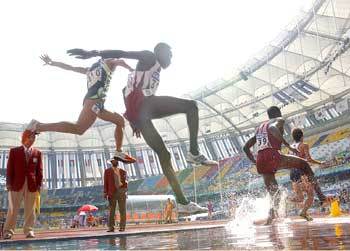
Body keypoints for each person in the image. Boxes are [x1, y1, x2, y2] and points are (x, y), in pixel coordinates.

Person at [67, 43, 217, 213]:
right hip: (146, 105)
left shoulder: (153, 69)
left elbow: (125, 90)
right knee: (191, 106)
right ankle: (194, 152)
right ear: (160, 52)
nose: (170, 58)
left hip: (141, 113)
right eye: (169, 54)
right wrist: (94, 53)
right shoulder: (149, 57)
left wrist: (134, 120)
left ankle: (182, 203)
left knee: (164, 155)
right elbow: (121, 51)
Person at [26, 54, 135, 163]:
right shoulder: (108, 61)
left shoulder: (90, 69)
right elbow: (120, 61)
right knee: (78, 128)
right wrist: (131, 69)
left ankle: (118, 152)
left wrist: (53, 63)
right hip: (94, 102)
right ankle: (38, 126)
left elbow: (71, 67)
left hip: (97, 103)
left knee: (119, 121)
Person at [243, 106, 329, 225]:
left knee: (275, 193)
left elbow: (246, 147)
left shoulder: (259, 128)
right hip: (272, 155)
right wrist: (287, 145)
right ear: (278, 113)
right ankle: (321, 197)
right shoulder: (278, 120)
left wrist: (254, 161)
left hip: (261, 160)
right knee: (304, 165)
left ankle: (270, 219)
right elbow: (273, 129)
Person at [3, 130, 43, 239]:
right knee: (12, 208)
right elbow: (10, 169)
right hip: (16, 184)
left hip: (32, 185)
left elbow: (39, 171)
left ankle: (29, 230)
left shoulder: (38, 153)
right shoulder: (14, 151)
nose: (33, 139)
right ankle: (8, 231)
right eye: (31, 137)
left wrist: (39, 185)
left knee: (30, 209)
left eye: (34, 138)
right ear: (24, 137)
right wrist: (8, 184)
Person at [289, 128, 324, 221]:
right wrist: (320, 163)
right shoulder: (304, 145)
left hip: (292, 172)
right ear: (302, 136)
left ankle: (285, 199)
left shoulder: (290, 147)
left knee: (300, 198)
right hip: (301, 172)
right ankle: (303, 212)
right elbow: (309, 159)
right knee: (310, 195)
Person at [104, 157, 127, 232]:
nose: (115, 161)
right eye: (113, 160)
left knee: (122, 210)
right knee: (111, 211)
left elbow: (125, 182)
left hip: (121, 191)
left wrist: (125, 190)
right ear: (111, 162)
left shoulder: (123, 171)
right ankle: (111, 227)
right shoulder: (107, 171)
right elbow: (106, 183)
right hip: (112, 192)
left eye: (116, 160)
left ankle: (122, 227)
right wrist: (105, 192)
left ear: (118, 161)